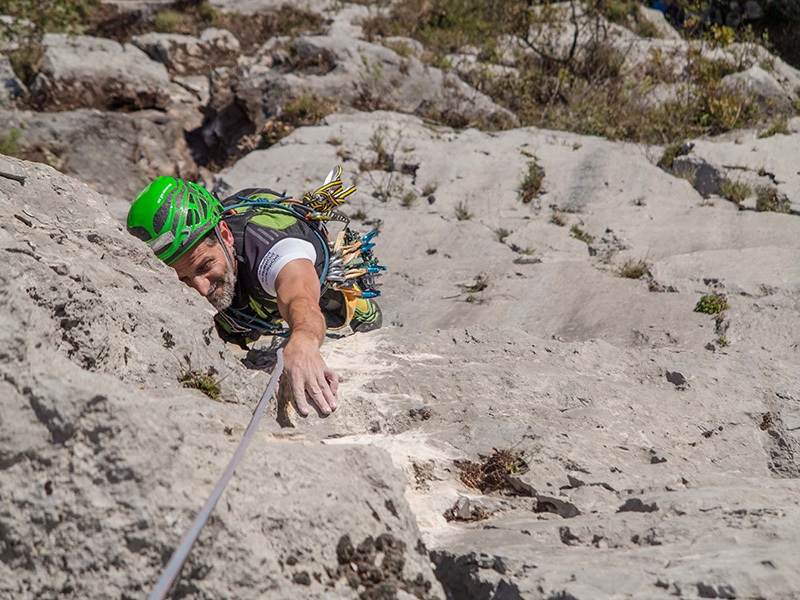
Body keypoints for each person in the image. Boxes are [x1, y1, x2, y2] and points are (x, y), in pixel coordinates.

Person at [126, 175, 382, 418]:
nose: (201, 289)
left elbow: (299, 298)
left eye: (204, 266)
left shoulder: (274, 252)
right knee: (232, 324)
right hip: (239, 276)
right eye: (183, 279)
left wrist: (304, 339)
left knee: (320, 301)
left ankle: (351, 300)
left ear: (225, 236)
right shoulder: (206, 263)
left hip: (285, 255)